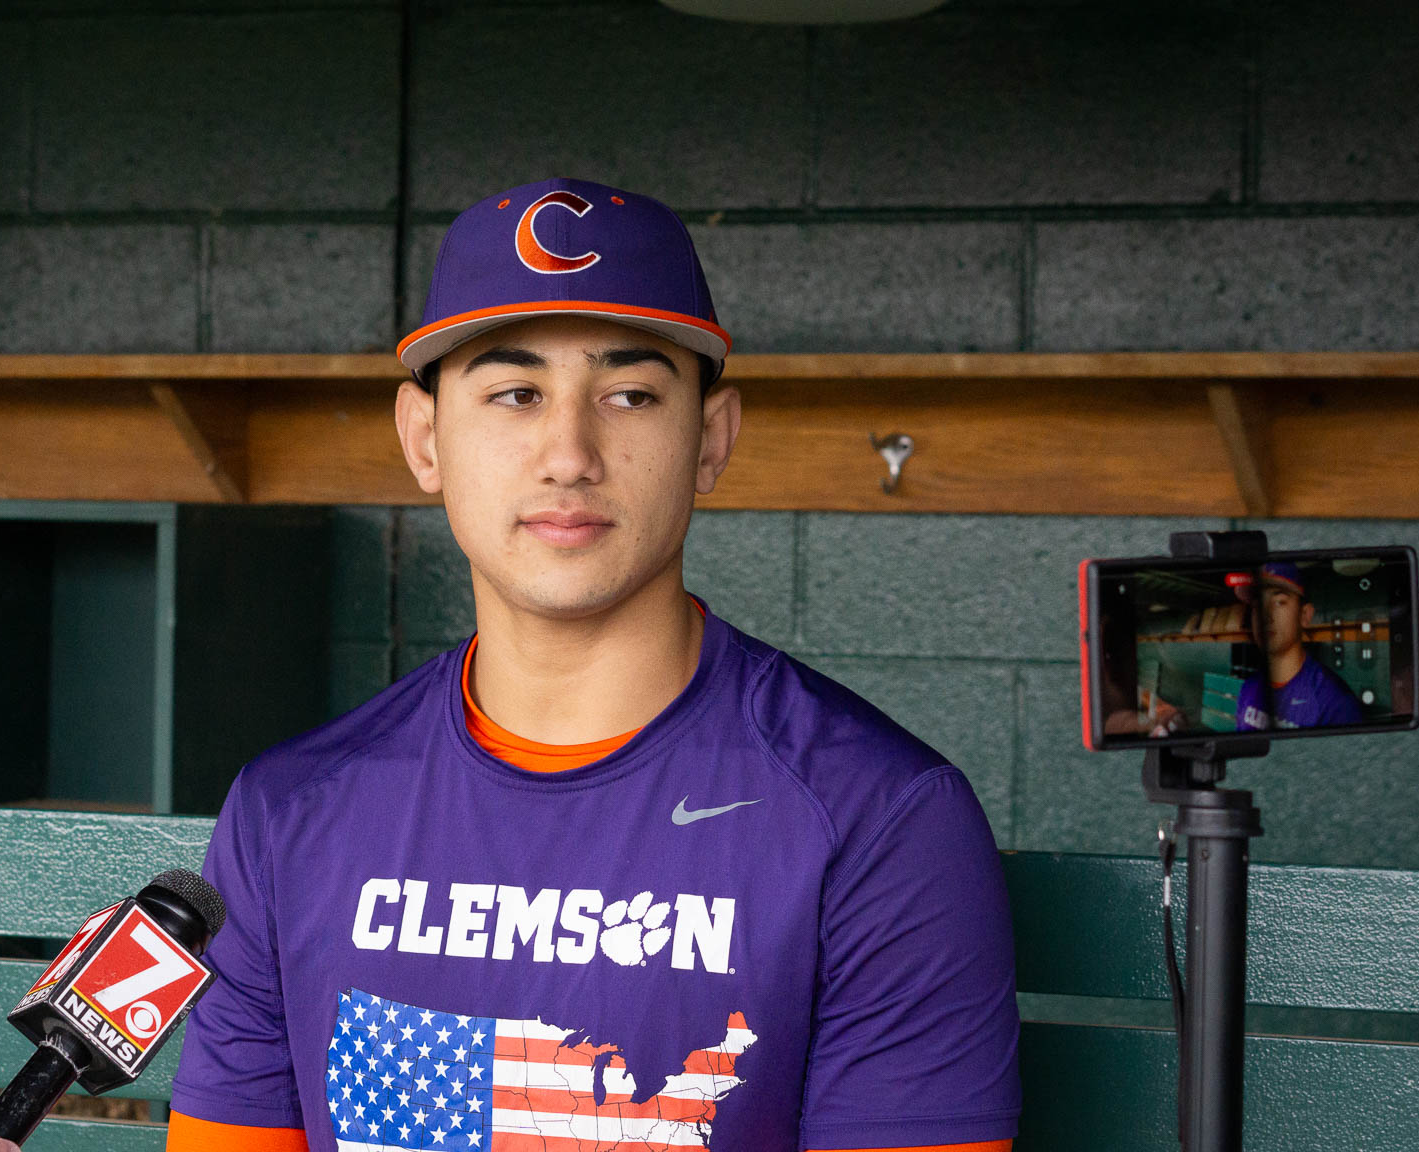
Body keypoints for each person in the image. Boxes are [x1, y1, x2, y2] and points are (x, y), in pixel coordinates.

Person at [164, 178, 1018, 1152]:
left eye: (629, 394)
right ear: (424, 438)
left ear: (710, 438)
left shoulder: (880, 819)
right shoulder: (286, 813)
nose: (567, 453)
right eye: (514, 392)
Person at [1236, 561, 1362, 731]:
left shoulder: (1336, 704)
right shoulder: (1250, 686)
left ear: (1305, 615)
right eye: (1258, 605)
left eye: (1279, 602)